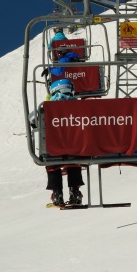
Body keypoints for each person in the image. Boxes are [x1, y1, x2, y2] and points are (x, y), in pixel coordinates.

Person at [44, 73, 85, 206]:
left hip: (54, 149)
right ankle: (75, 191)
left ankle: (57, 193)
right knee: (74, 160)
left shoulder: (46, 108)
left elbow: (33, 119)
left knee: (52, 162)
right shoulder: (81, 108)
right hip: (76, 148)